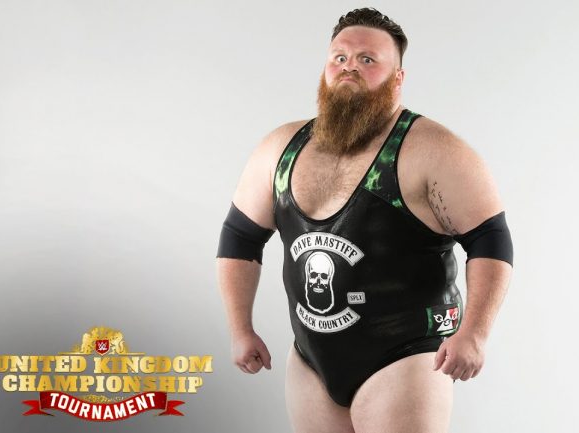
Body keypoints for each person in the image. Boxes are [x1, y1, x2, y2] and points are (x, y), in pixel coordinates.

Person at [216, 7, 513, 433]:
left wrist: (475, 333)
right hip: (312, 359)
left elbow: (490, 238)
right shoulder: (281, 148)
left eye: (367, 59)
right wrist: (240, 329)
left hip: (405, 355)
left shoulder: (434, 150)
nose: (349, 68)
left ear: (398, 78)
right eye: (340, 58)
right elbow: (240, 237)